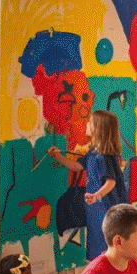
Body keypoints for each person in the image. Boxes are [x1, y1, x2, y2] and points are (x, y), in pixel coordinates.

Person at [48, 110, 129, 261]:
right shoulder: (93, 152)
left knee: (107, 249)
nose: (87, 123)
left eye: (91, 122)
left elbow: (111, 182)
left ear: (99, 128)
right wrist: (58, 156)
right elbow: (77, 167)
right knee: (99, 247)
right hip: (96, 208)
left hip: (106, 209)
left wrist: (96, 195)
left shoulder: (103, 155)